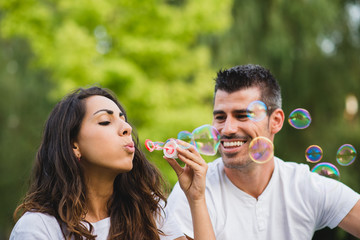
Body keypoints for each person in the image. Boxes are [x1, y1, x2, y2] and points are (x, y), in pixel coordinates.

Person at [167, 64, 360, 239]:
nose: (227, 129)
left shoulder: (304, 186)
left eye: (242, 116)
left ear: (275, 121)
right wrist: (197, 200)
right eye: (220, 117)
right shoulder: (192, 192)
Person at [10, 86, 215, 240]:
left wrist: (196, 198)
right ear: (74, 145)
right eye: (105, 121)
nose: (126, 127)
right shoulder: (38, 228)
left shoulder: (148, 210)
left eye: (123, 119)